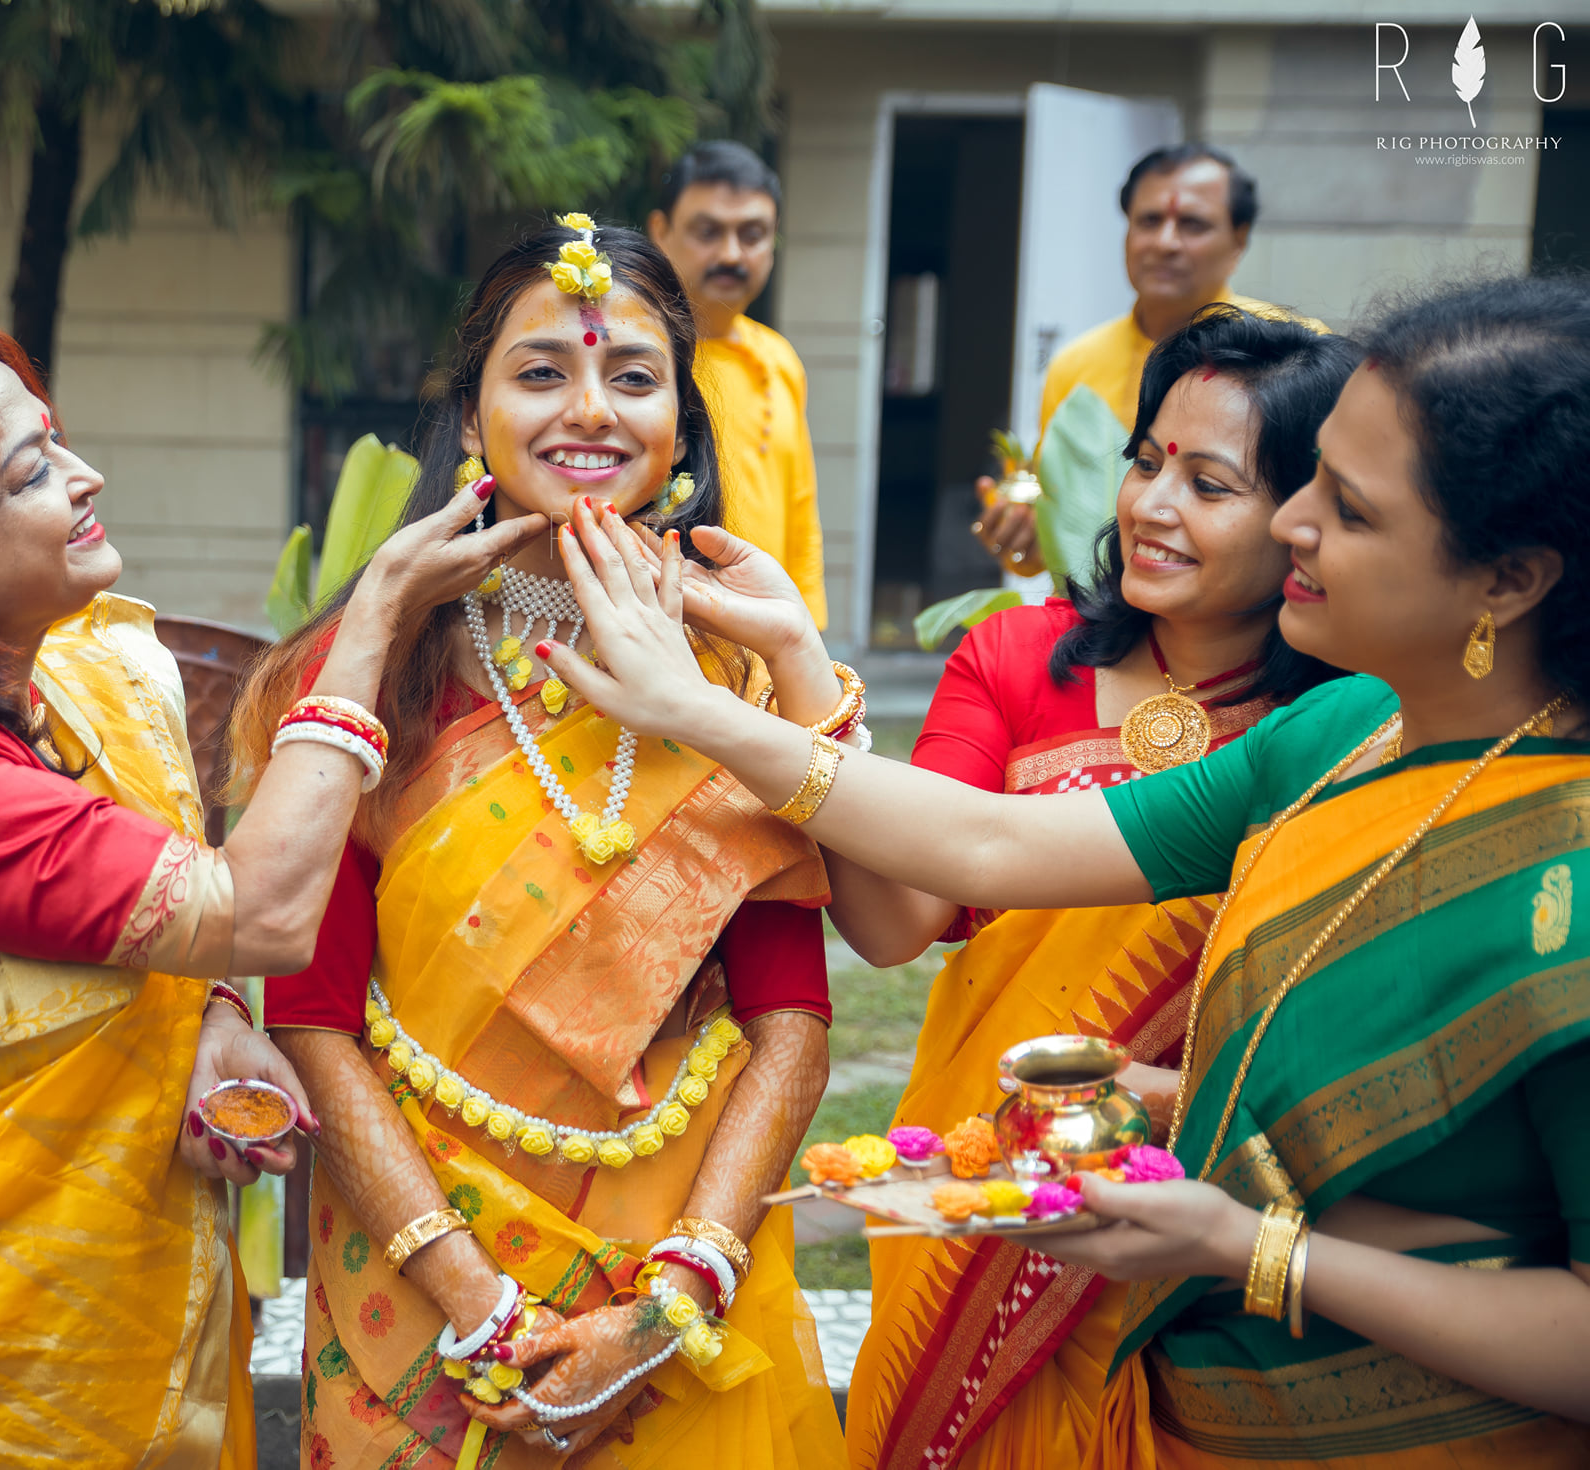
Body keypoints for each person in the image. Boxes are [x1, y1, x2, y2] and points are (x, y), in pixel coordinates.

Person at [541, 272, 1590, 1466]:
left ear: (1509, 578)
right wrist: (745, 686)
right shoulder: (1339, 737)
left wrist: (1248, 1247)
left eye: (1345, 507)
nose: (1293, 522)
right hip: (1198, 1416)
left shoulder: (1554, 864)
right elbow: (988, 845)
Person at [0, 317, 542, 1467]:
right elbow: (259, 911)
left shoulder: (62, 685)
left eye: (56, 440)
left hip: (84, 1340)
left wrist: (207, 1018)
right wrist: (373, 619)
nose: (84, 478)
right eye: (30, 473)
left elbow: (135, 908)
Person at [233, 216, 845, 1467]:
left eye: (632, 376)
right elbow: (310, 1019)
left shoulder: (736, 681)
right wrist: (478, 1304)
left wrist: (670, 1305)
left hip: (680, 1271)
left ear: (681, 424)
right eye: (540, 372)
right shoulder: (363, 675)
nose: (590, 410)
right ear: (471, 420)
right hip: (416, 1291)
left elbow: (790, 1019)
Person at [835, 307, 1356, 1470]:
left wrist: (1156, 1100)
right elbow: (893, 922)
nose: (1150, 506)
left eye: (1207, 484)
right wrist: (801, 701)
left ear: (1303, 520)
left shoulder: (1342, 722)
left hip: (1199, 1221)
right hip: (983, 1189)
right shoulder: (1017, 657)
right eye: (1144, 461)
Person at [977, 144, 1310, 578]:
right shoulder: (1076, 366)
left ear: (1239, 238)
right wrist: (1024, 538)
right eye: (1149, 221)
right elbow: (1066, 534)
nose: (1165, 242)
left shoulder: (1290, 352)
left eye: (1192, 224)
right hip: (1107, 613)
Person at [649, 140, 828, 627]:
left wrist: (809, 631)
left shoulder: (779, 358)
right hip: (667, 633)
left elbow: (800, 514)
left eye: (752, 234)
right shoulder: (634, 359)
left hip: (771, 637)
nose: (731, 254)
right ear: (660, 232)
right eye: (708, 232)